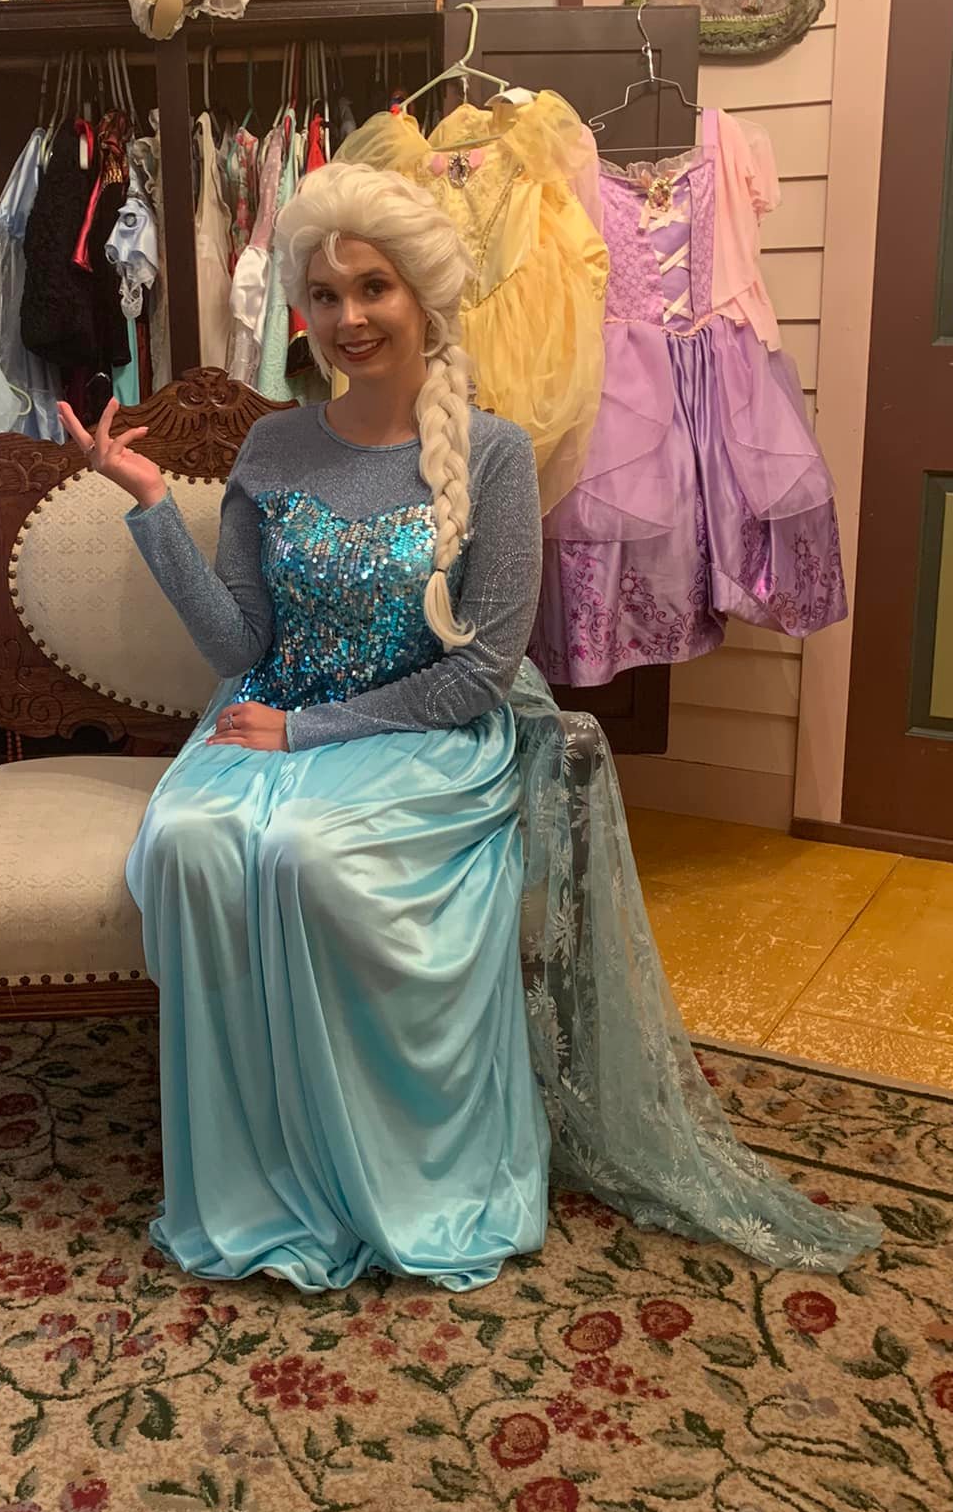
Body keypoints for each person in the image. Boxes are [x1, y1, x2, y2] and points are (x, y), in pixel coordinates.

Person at [58, 163, 881, 1292]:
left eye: (374, 288)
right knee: (195, 845)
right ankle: (260, 1180)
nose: (349, 317)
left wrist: (311, 735)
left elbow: (482, 673)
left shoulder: (493, 455)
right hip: (272, 711)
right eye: (326, 294)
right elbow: (238, 642)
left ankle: (393, 1172)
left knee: (307, 855)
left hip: (425, 732)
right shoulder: (271, 449)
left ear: (422, 296)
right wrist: (152, 504)